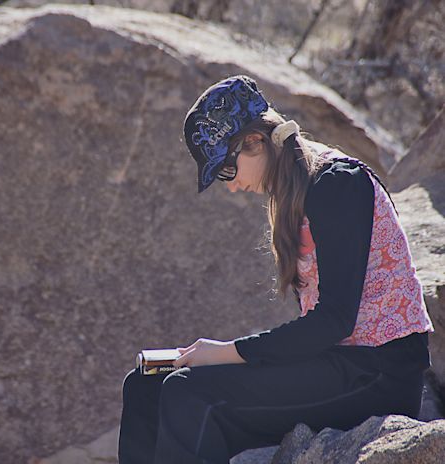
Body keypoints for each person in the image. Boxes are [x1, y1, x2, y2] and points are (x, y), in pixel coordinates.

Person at [117, 75, 434, 464]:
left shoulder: (338, 185)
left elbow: (334, 321)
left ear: (255, 141)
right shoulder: (295, 190)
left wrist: (230, 353)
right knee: (144, 386)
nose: (230, 187)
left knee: (190, 393)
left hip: (379, 373)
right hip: (338, 362)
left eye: (226, 172)